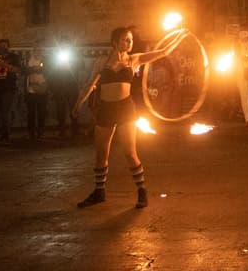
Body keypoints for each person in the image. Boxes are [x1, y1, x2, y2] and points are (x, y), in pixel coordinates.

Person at [74, 26, 184, 209]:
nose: (129, 42)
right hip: (105, 109)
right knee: (101, 155)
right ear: (115, 41)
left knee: (130, 153)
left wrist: (180, 35)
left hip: (125, 109)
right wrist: (78, 104)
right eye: (125, 39)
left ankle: (142, 191)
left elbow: (163, 52)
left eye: (130, 40)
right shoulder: (102, 61)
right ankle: (99, 192)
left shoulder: (134, 60)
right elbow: (90, 84)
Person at [46, 45, 81, 140]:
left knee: (73, 109)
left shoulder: (74, 56)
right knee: (60, 110)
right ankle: (62, 130)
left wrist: (72, 63)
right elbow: (50, 72)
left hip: (71, 87)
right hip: (60, 88)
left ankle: (75, 129)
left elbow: (81, 66)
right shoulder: (54, 58)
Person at [23, 52, 49, 140]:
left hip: (43, 87)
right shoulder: (28, 59)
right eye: (37, 48)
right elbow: (24, 70)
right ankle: (31, 132)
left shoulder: (46, 59)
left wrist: (40, 69)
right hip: (31, 88)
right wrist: (33, 69)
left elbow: (50, 71)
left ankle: (41, 132)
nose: (38, 50)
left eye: (40, 48)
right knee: (31, 112)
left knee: (42, 111)